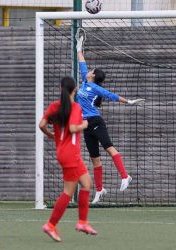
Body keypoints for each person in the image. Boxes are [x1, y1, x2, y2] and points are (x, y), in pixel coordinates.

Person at [76, 34, 145, 204]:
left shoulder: (95, 88)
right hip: (85, 125)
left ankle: (125, 176)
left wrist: (129, 101)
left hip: (95, 121)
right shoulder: (85, 81)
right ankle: (100, 190)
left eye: (91, 71)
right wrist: (79, 46)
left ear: (94, 76)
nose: (89, 70)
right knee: (94, 159)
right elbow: (81, 62)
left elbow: (112, 96)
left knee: (109, 148)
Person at [39, 76, 97, 242]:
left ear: (61, 89)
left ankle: (83, 222)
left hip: (66, 153)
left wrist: (50, 135)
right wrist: (84, 125)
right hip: (70, 154)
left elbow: (41, 124)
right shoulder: (75, 107)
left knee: (87, 184)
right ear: (75, 90)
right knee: (68, 191)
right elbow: (72, 128)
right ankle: (50, 225)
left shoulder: (54, 106)